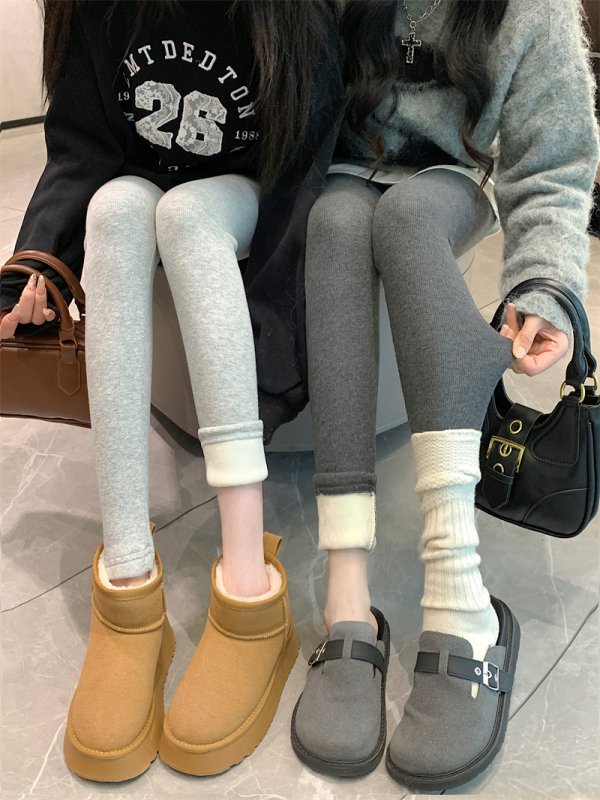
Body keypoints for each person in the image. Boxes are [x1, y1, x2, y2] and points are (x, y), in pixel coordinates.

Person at [0, 0, 344, 782]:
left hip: (250, 188)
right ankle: (127, 585)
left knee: (187, 217)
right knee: (115, 208)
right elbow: (82, 141)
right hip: (140, 179)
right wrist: (34, 261)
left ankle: (251, 590)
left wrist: (274, 334)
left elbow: (300, 168)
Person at [291, 0, 599, 790]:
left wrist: (545, 284)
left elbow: (555, 161)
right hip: (340, 170)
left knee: (405, 217)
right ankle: (348, 603)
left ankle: (463, 603)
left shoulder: (531, 11)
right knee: (334, 224)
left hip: (456, 178)